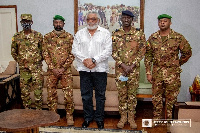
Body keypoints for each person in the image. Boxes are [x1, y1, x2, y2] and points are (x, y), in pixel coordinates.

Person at [144, 14, 192, 120]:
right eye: (160, 21)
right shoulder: (153, 37)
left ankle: (170, 118)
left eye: (165, 21)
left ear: (170, 23)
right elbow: (148, 55)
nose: (162, 23)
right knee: (157, 97)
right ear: (158, 23)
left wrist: (178, 63)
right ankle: (157, 117)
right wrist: (148, 72)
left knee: (171, 97)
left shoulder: (178, 37)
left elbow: (187, 52)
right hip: (157, 72)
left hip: (172, 73)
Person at [72, 11, 112, 129]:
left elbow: (108, 51)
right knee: (86, 96)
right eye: (88, 19)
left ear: (98, 21)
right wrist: (86, 60)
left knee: (100, 96)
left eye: (93, 19)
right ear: (86, 21)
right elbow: (75, 50)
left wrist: (94, 60)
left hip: (100, 70)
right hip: (84, 70)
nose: (91, 21)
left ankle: (99, 119)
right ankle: (88, 118)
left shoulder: (105, 33)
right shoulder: (79, 34)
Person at [112, 10, 146, 129]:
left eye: (128, 18)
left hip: (133, 71)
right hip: (121, 70)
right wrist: (123, 65)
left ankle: (131, 117)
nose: (126, 20)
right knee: (122, 95)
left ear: (132, 19)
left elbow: (142, 51)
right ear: (121, 19)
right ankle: (123, 117)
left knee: (131, 95)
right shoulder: (115, 34)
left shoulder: (139, 34)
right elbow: (112, 52)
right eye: (124, 18)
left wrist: (132, 65)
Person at [42, 15, 75, 126]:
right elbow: (45, 54)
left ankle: (69, 115)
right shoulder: (47, 37)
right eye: (56, 22)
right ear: (53, 23)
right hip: (52, 71)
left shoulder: (69, 37)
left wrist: (63, 68)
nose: (58, 24)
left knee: (68, 95)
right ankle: (53, 115)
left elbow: (72, 54)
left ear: (63, 24)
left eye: (60, 22)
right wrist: (53, 68)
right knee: (51, 94)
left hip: (65, 71)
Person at [11, 14, 43, 110]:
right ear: (21, 23)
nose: (26, 24)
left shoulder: (38, 36)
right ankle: (27, 111)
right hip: (24, 69)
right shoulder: (16, 37)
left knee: (38, 91)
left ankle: (39, 112)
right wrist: (21, 62)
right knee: (24, 92)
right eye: (24, 22)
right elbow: (13, 52)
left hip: (36, 69)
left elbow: (42, 51)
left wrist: (36, 62)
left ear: (31, 23)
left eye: (28, 22)